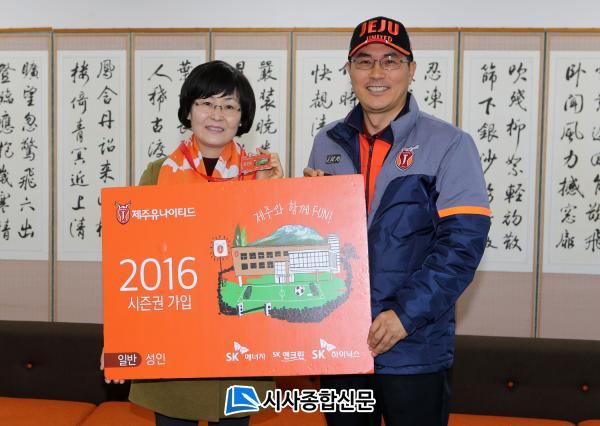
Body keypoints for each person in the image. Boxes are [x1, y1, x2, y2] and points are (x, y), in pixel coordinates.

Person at [304, 17, 491, 426]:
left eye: (390, 61)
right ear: (349, 69)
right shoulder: (327, 142)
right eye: (364, 61)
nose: (377, 73)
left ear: (411, 69)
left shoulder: (450, 145)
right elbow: (319, 245)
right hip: (340, 349)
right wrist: (303, 207)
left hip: (415, 349)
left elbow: (462, 246)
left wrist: (404, 316)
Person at [103, 60, 282, 426]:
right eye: (206, 103)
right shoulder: (157, 175)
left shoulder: (261, 173)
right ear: (188, 110)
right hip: (173, 342)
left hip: (240, 341)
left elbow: (276, 250)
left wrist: (277, 190)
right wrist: (120, 337)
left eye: (229, 106)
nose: (217, 114)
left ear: (242, 118)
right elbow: (134, 262)